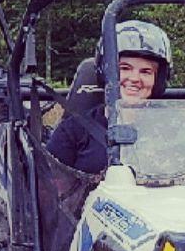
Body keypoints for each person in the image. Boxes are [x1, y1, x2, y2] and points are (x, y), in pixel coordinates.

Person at [46, 20, 172, 174]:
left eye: (145, 72)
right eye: (124, 68)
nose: (134, 78)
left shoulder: (172, 127)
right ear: (104, 72)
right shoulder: (73, 131)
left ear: (157, 80)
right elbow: (49, 187)